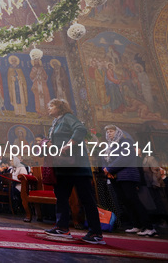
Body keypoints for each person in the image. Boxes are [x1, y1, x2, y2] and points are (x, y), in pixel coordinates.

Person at [44, 98, 105, 245]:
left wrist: (68, 145)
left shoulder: (68, 118)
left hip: (77, 166)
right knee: (62, 196)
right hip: (63, 167)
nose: (49, 109)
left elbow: (80, 129)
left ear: (60, 107)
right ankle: (62, 227)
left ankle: (95, 232)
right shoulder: (56, 122)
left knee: (86, 199)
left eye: (51, 106)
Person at [103, 125, 157, 236]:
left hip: (127, 175)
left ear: (118, 132)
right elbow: (105, 158)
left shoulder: (125, 141)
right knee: (125, 202)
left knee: (133, 201)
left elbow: (125, 157)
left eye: (111, 131)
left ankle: (149, 227)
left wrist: (109, 169)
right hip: (116, 176)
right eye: (107, 132)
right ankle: (137, 225)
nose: (109, 133)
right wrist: (107, 170)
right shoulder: (110, 146)